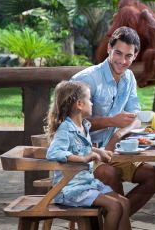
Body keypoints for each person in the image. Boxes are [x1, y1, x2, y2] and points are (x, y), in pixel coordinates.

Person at [71, 26, 155, 215]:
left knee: (153, 175)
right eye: (118, 53)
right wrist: (111, 121)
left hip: (112, 151)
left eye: (128, 56)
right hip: (83, 154)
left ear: (135, 56)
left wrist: (118, 134)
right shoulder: (87, 80)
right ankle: (116, 221)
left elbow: (135, 117)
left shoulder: (128, 77)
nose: (122, 61)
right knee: (109, 174)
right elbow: (69, 124)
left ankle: (110, 221)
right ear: (108, 49)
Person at [46, 81, 131, 230]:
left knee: (124, 202)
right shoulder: (65, 129)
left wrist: (99, 151)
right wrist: (84, 159)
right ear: (79, 104)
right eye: (90, 99)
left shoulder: (83, 126)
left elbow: (81, 146)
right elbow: (54, 152)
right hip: (70, 189)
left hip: (87, 184)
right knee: (115, 206)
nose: (92, 103)